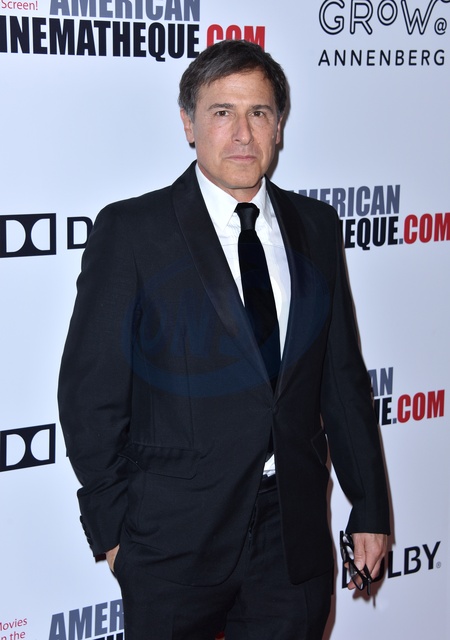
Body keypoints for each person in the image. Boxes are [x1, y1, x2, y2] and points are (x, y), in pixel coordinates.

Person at [58, 39, 390, 640]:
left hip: (292, 537)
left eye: (258, 112)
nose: (242, 133)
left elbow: (341, 378)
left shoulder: (316, 227)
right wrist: (115, 535)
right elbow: (89, 395)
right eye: (221, 112)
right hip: (171, 543)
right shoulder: (132, 232)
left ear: (279, 126)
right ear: (189, 124)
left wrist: (367, 507)